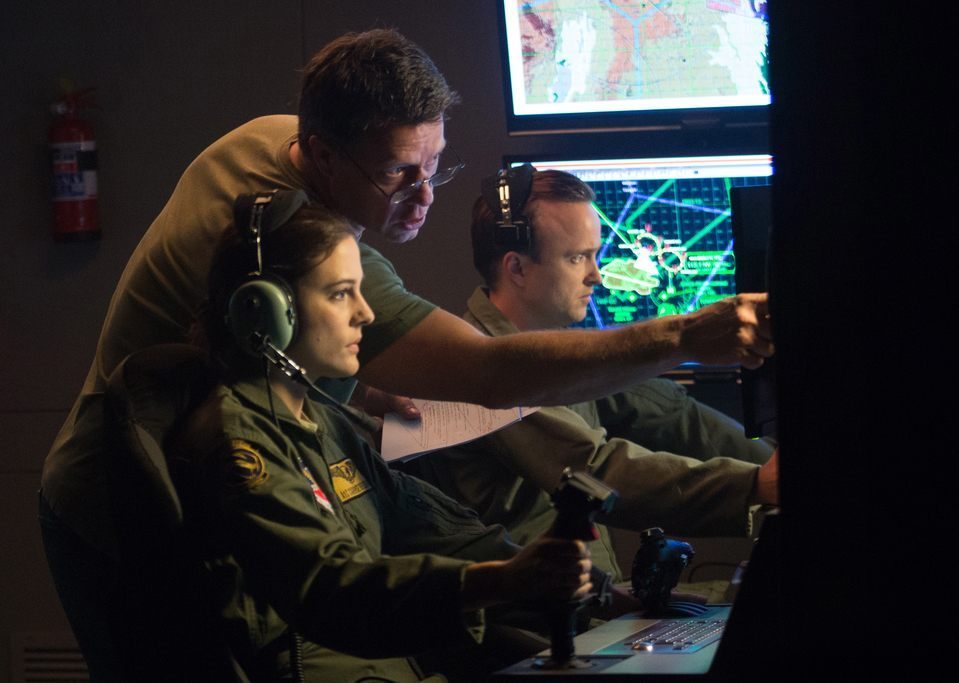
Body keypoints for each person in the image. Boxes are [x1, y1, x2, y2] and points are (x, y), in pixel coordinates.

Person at [38, 28, 772, 678]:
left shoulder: (279, 141)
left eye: (436, 166)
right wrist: (683, 335)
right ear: (321, 156)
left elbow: (429, 519)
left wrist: (559, 580)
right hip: (127, 513)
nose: (425, 197)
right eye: (399, 174)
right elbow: (489, 375)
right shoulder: (292, 247)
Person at [165, 197, 597, 681]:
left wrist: (593, 588)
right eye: (340, 294)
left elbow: (430, 524)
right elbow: (333, 590)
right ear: (264, 311)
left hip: (388, 661)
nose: (366, 314)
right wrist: (501, 581)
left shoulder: (321, 421)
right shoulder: (239, 443)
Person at [406, 168, 779, 586]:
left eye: (595, 255)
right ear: (517, 268)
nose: (596, 275)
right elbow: (596, 469)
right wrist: (755, 485)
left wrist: (773, 462)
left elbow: (672, 413)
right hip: (530, 628)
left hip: (593, 609)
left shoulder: (563, 354)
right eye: (577, 257)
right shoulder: (479, 372)